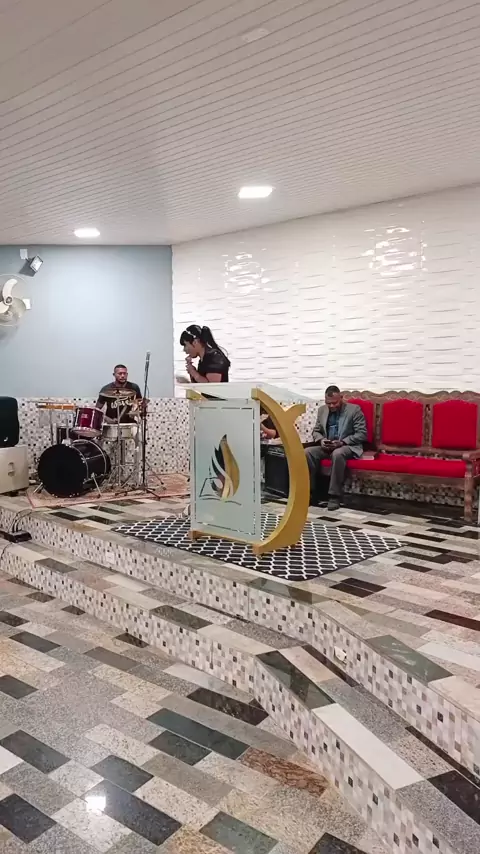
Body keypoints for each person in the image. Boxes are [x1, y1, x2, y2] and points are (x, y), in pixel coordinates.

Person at [305, 385, 367, 511]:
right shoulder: (322, 410)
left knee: (338, 454)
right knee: (307, 452)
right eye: (329, 403)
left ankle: (334, 496)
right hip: (328, 446)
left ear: (341, 398)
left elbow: (362, 434)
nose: (332, 406)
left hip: (347, 446)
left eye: (335, 403)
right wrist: (321, 440)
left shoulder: (354, 410)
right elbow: (316, 431)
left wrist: (342, 442)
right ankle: (310, 492)